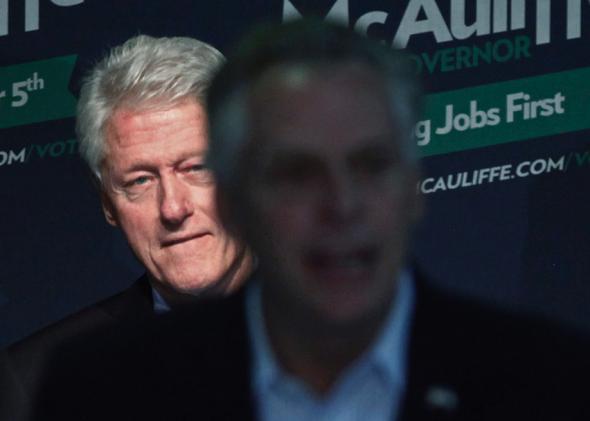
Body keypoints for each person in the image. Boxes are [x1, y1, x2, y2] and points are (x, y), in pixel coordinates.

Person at [30, 20, 590, 420]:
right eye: (140, 181)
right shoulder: (68, 382)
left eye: (365, 165)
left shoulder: (533, 376)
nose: (173, 208)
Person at [1, 34, 254, 421]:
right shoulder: (35, 381)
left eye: (196, 168)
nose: (172, 208)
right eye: (140, 181)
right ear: (107, 204)